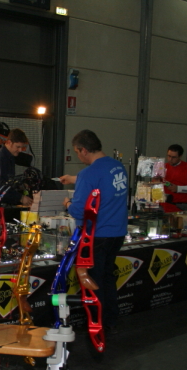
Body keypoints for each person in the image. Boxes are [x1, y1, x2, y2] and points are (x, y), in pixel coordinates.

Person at [60, 130, 128, 331]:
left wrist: (68, 204)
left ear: (83, 150)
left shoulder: (88, 173)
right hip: (117, 233)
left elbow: (79, 210)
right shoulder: (117, 166)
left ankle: (96, 322)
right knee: (107, 277)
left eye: (76, 152)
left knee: (93, 280)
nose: (78, 156)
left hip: (98, 235)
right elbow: (103, 181)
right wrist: (74, 178)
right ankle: (110, 319)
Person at [0, 128, 33, 206]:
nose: (20, 150)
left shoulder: (9, 156)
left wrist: (20, 185)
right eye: (18, 147)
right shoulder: (1, 158)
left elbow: (8, 181)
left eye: (22, 147)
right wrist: (20, 198)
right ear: (9, 142)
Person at [160, 144, 187, 212]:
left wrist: (178, 188)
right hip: (164, 206)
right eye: (169, 156)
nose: (170, 159)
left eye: (174, 157)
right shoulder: (163, 167)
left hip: (181, 207)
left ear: (180, 156)